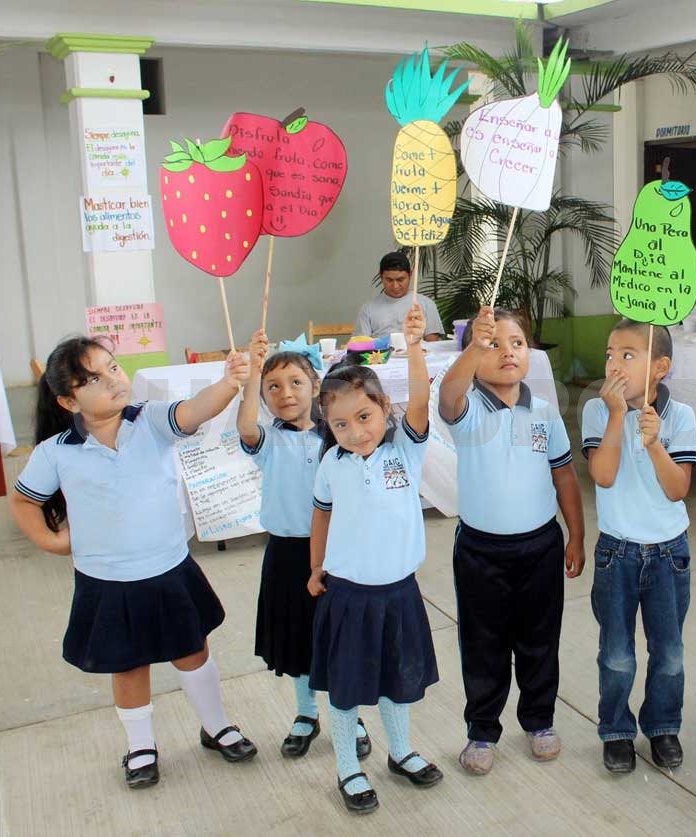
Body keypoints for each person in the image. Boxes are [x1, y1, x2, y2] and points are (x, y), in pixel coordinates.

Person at [9, 337, 257, 790]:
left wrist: (229, 382)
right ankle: (141, 745)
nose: (112, 381)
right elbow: (24, 501)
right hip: (107, 582)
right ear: (68, 401)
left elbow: (195, 410)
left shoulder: (151, 420)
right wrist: (53, 541)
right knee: (127, 666)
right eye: (93, 380)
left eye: (112, 367)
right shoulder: (56, 451)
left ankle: (216, 724)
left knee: (193, 651)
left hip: (168, 569)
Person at [438, 306, 586, 776]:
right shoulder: (466, 410)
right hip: (481, 553)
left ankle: (539, 720)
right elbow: (447, 394)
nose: (507, 352)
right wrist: (472, 348)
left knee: (540, 640)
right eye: (493, 344)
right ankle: (482, 729)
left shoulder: (544, 412)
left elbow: (564, 475)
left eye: (517, 343)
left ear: (530, 352)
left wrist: (576, 535)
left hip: (540, 548)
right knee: (483, 644)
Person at [309, 304, 443, 813]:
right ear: (329, 426)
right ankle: (348, 766)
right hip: (348, 595)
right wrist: (315, 567)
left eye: (364, 417)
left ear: (385, 407)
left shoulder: (404, 451)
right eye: (340, 424)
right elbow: (321, 515)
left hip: (399, 592)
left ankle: (400, 751)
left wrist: (415, 347)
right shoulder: (331, 462)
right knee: (345, 688)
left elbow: (422, 400)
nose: (355, 431)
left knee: (398, 678)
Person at [236, 331, 373, 761]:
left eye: (296, 382)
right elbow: (245, 426)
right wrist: (251, 372)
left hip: (336, 552)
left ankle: (349, 714)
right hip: (286, 552)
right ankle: (306, 713)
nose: (285, 393)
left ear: (316, 387)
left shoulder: (336, 438)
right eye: (273, 387)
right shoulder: (267, 440)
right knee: (297, 637)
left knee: (338, 637)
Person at [581, 320, 696, 774]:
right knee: (616, 654)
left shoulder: (680, 416)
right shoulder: (597, 410)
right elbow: (603, 475)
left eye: (628, 355)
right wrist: (617, 417)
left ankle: (663, 725)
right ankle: (616, 729)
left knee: (669, 652)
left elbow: (677, 489)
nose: (614, 364)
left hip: (669, 553)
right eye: (610, 354)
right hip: (618, 552)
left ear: (660, 367)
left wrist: (653, 444)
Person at [353, 251, 445, 340]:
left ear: (410, 275)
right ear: (381, 277)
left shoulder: (426, 304)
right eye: (389, 280)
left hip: (416, 350)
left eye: (400, 280)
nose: (395, 286)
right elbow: (361, 344)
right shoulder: (368, 309)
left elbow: (433, 344)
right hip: (381, 351)